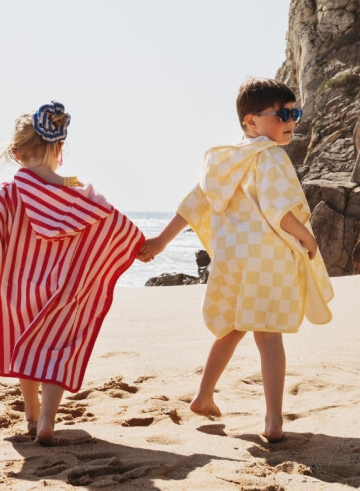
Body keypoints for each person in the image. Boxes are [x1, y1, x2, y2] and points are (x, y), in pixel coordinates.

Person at [138, 78, 334, 443]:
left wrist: (162, 241)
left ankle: (203, 396)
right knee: (269, 336)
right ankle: (273, 421)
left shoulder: (224, 161)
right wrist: (307, 237)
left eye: (294, 113)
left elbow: (195, 203)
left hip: (232, 262)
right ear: (251, 121)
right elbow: (279, 209)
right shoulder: (271, 155)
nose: (291, 121)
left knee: (232, 328)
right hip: (267, 261)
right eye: (282, 115)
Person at [0, 101, 144, 446]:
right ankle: (48, 419)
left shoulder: (10, 193)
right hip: (63, 289)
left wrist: (3, 262)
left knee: (25, 346)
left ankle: (31, 415)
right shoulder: (77, 194)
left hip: (19, 289)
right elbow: (112, 221)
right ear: (60, 147)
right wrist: (140, 244)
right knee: (56, 349)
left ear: (17, 153)